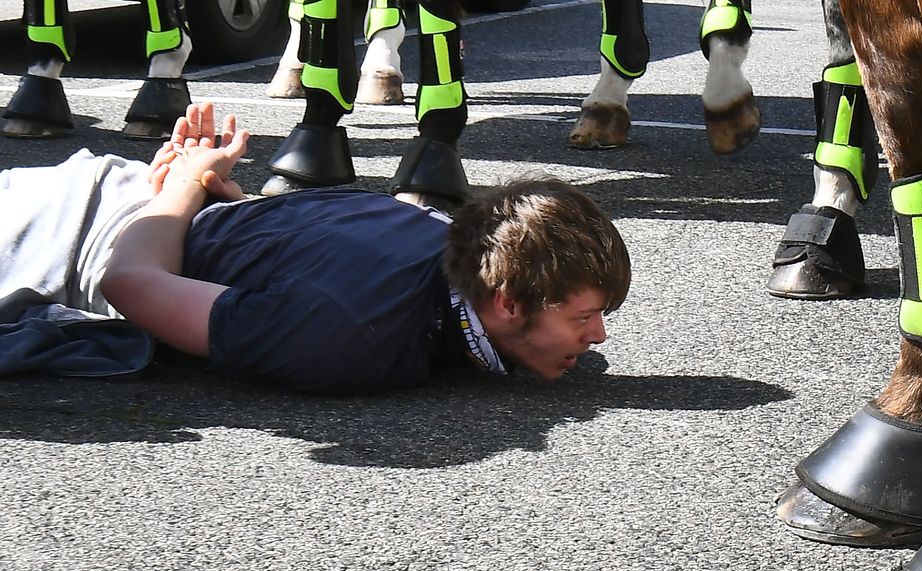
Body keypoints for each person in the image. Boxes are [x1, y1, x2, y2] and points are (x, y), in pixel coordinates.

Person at [0, 102, 631, 395]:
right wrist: (188, 184)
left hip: (122, 197)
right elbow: (129, 283)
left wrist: (200, 190)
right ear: (506, 301)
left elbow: (280, 232)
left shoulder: (442, 233)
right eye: (582, 318)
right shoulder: (350, 335)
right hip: (58, 237)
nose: (599, 338)